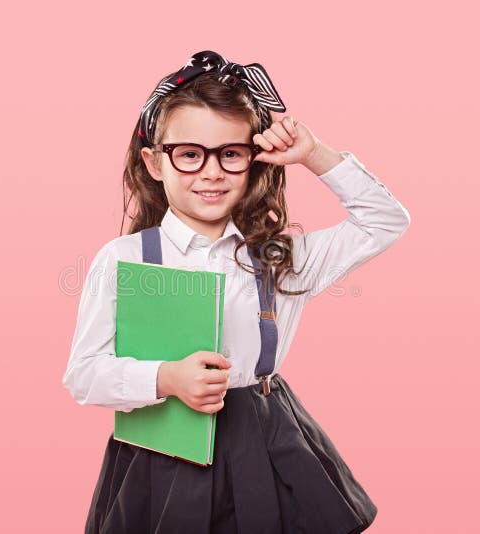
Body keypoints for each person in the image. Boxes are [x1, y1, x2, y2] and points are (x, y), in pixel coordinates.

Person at [62, 50, 411, 533]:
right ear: (155, 163)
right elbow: (83, 374)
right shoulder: (124, 260)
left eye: (230, 153)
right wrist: (165, 379)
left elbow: (384, 221)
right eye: (189, 154)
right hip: (164, 453)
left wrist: (313, 154)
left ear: (252, 159)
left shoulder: (281, 258)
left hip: (267, 445)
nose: (211, 172)